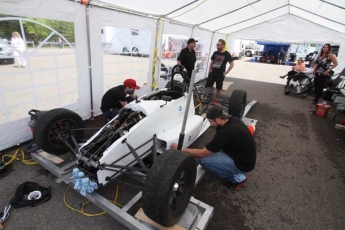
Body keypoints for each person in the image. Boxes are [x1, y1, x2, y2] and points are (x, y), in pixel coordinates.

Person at [171, 106, 256, 190]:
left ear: (218, 119)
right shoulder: (233, 120)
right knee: (212, 151)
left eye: (211, 121)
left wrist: (181, 149)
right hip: (244, 156)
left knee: (203, 160)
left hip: (243, 165)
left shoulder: (226, 132)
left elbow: (203, 153)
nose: (210, 124)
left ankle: (237, 179)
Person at [206, 39, 234, 105]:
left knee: (219, 88)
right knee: (208, 86)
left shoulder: (227, 54)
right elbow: (212, 62)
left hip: (220, 74)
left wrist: (226, 73)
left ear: (223, 45)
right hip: (212, 73)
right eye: (217, 45)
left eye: (219, 45)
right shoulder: (215, 53)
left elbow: (232, 64)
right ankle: (208, 98)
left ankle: (215, 100)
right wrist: (209, 70)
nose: (217, 46)